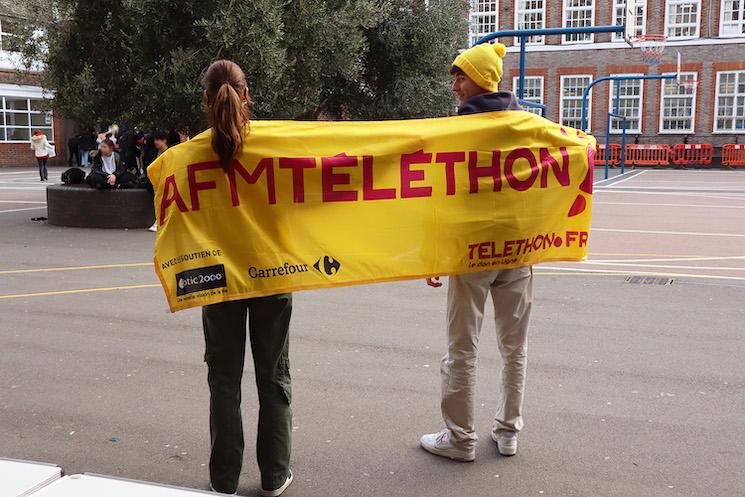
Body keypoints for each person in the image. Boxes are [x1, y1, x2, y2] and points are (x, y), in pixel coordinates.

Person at [154, 60, 294, 496]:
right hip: (273, 273)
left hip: (218, 279)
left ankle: (224, 479)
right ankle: (274, 475)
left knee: (224, 379)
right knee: (274, 375)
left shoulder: (184, 158)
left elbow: (171, 221)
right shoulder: (277, 147)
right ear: (247, 95)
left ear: (205, 99)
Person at [419, 42, 532, 462]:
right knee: (514, 347)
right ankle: (508, 431)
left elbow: (440, 195)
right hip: (518, 247)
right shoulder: (526, 124)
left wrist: (435, 253)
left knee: (462, 348)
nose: (454, 85)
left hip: (471, 251)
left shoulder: (457, 131)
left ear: (479, 80)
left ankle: (461, 438)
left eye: (460, 76)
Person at [143, 131, 169, 232]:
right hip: (155, 182)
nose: (156, 142)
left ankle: (159, 221)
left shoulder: (170, 152)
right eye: (155, 140)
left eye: (158, 140)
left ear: (164, 141)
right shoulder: (153, 153)